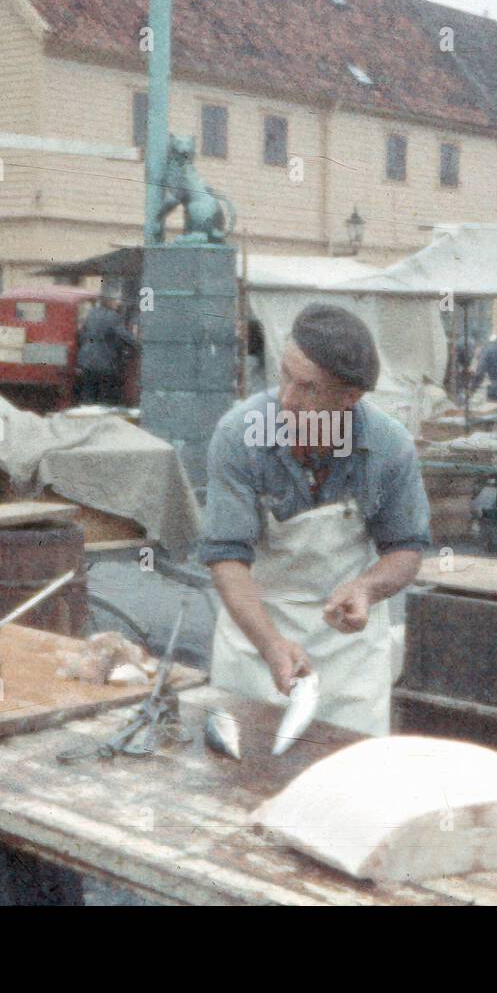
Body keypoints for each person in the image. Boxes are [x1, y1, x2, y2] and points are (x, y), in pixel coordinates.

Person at [200, 303, 430, 736]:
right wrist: (270, 646)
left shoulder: (388, 446)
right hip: (256, 632)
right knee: (244, 772)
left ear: (350, 397)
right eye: (284, 375)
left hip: (348, 648)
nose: (286, 398)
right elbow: (226, 558)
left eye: (307, 388)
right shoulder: (240, 434)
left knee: (347, 776)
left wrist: (367, 587)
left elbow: (406, 548)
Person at [75, 292, 137, 404]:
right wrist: (140, 345)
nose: (118, 304)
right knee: (105, 396)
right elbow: (124, 336)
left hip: (85, 360)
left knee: (88, 393)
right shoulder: (113, 317)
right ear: (110, 302)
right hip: (103, 363)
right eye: (116, 301)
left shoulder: (92, 313)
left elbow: (82, 334)